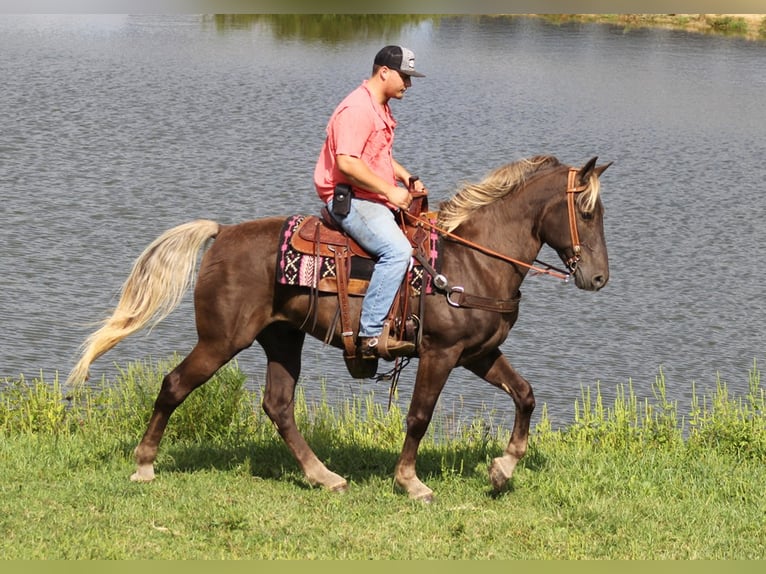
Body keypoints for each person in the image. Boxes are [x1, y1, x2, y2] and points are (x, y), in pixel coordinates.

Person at [314, 45, 427, 360]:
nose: (409, 84)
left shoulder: (379, 106)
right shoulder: (358, 109)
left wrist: (404, 176)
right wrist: (390, 192)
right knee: (398, 251)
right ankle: (370, 334)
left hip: (369, 194)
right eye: (405, 76)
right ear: (385, 72)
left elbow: (375, 156)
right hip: (352, 199)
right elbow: (348, 164)